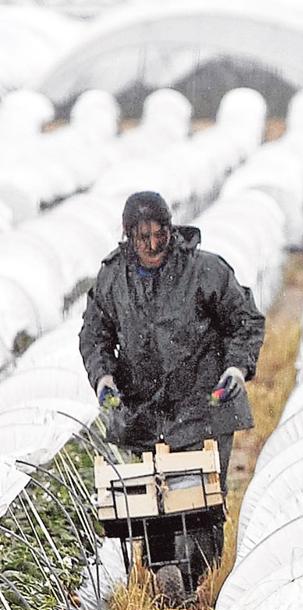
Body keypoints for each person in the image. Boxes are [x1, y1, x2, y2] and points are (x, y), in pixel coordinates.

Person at [79, 191, 264, 583]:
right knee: (152, 503)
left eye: (159, 233)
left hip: (204, 404)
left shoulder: (205, 271)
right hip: (144, 409)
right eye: (142, 236)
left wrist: (234, 369)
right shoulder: (114, 278)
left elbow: (244, 321)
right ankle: (165, 579)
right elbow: (94, 335)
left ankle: (197, 580)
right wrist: (105, 378)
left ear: (170, 229)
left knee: (197, 499)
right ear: (128, 235)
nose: (152, 245)